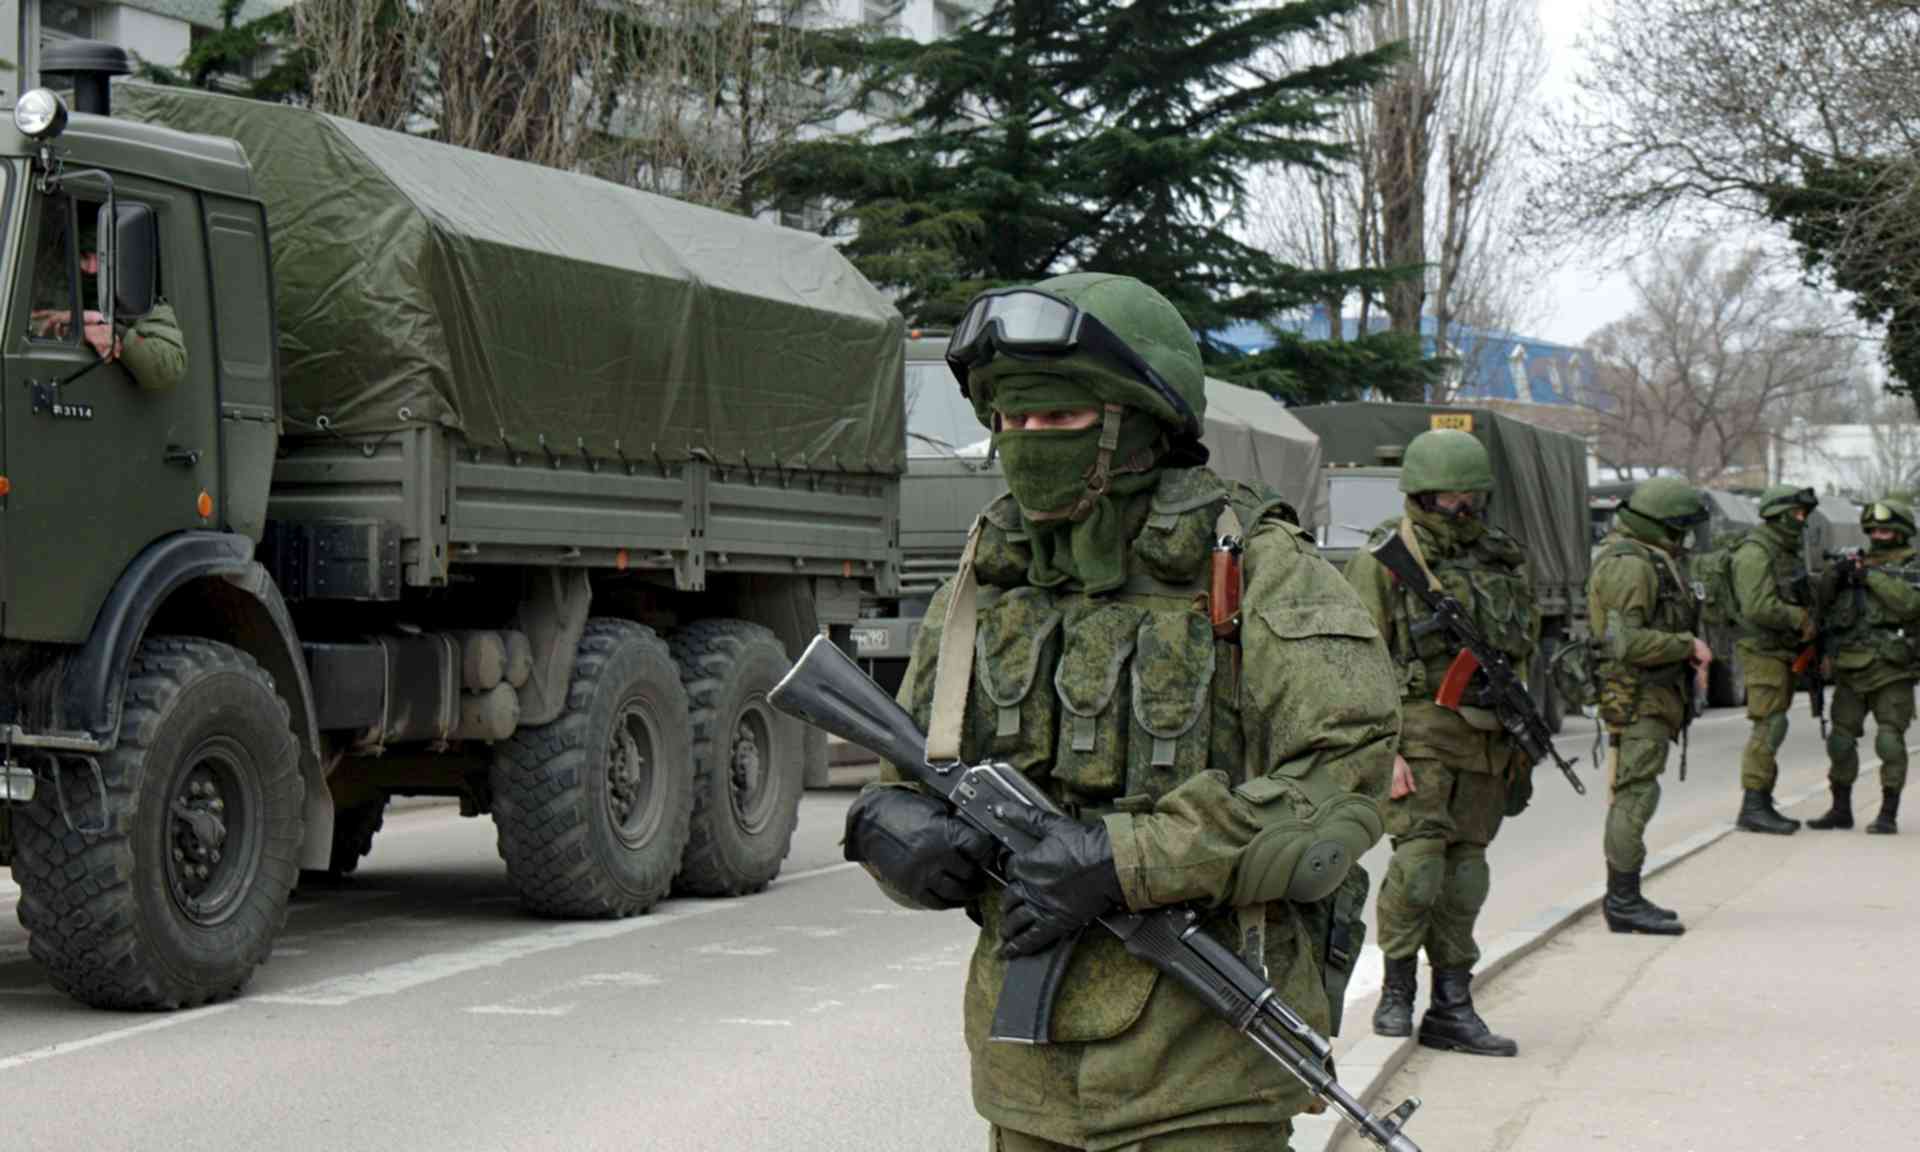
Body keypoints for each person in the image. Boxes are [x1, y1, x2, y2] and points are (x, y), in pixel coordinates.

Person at [842, 272, 1401, 1151]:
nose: (1028, 444)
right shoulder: (996, 568)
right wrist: (891, 830)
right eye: (1012, 423)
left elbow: (1345, 783)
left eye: (1057, 421)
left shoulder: (1253, 563)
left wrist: (1126, 859)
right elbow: (910, 759)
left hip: (1203, 1070)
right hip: (1025, 1079)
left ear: (1137, 425)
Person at [1344, 429, 1536, 1057]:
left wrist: (1523, 735)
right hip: (1417, 732)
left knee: (1466, 876)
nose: (1463, 507)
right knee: (1419, 866)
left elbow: (1521, 652)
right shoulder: (1385, 560)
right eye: (1451, 496)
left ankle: (1452, 1003)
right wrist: (1382, 751)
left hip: (1486, 738)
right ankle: (1398, 992)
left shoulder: (1500, 562)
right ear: (1423, 495)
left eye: (1470, 495)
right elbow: (1355, 663)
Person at [1587, 476, 1713, 935]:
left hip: (1652, 696)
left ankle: (1627, 896)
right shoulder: (1630, 566)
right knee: (1634, 796)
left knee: (1639, 793)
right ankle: (1622, 900)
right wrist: (1686, 645)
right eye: (1679, 528)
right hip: (1638, 697)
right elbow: (1625, 642)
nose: (1684, 538)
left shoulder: (1646, 559)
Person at [1805, 498, 1920, 835]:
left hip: (1892, 667)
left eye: (1887, 528)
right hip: (1850, 667)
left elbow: (1910, 604)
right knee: (1839, 742)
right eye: (1875, 528)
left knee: (1889, 741)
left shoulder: (1912, 565)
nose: (1879, 534)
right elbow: (1820, 604)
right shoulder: (1851, 562)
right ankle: (1840, 809)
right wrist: (1835, 576)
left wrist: (1869, 576)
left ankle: (1888, 813)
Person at [1730, 484, 1821, 835]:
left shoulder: (1783, 550)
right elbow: (1757, 606)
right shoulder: (1755, 552)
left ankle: (1762, 800)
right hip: (1761, 650)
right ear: (1779, 514)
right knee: (1769, 726)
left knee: (1775, 724)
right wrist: (1800, 619)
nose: (1802, 520)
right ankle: (1753, 805)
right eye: (1797, 513)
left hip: (1779, 649)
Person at [31, 231, 186, 392]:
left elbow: (171, 365)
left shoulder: (137, 301)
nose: (91, 269)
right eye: (84, 257)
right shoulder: (50, 289)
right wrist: (76, 328)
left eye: (100, 258)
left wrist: (111, 331)